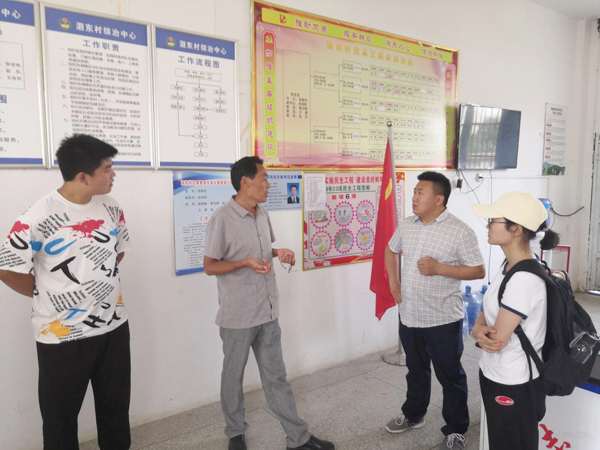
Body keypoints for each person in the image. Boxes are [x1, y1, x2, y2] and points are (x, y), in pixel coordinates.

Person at [0, 134, 132, 449]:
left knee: (115, 411)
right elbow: (7, 268)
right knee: (60, 421)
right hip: (62, 335)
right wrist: (46, 292)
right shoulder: (38, 216)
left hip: (113, 326)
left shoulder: (111, 207)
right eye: (107, 169)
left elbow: (117, 251)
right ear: (83, 177)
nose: (113, 175)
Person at [204, 156, 334, 450]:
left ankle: (297, 438)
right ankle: (235, 433)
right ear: (245, 182)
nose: (268, 184)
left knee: (277, 377)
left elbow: (264, 249)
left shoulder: (262, 213)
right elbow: (210, 265)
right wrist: (244, 263)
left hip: (267, 310)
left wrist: (278, 252)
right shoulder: (222, 218)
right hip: (238, 315)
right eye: (263, 178)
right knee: (233, 377)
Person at [384, 171, 485, 450]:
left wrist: (439, 268)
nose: (414, 197)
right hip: (410, 314)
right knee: (415, 370)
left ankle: (456, 429)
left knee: (450, 375)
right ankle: (413, 414)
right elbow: (390, 250)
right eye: (414, 192)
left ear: (439, 199)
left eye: (420, 192)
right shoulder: (407, 225)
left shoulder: (460, 231)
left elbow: (477, 270)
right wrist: (393, 282)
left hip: (442, 318)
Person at [471, 192, 559, 450]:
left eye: (493, 221)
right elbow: (487, 310)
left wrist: (478, 331)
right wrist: (478, 328)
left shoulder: (523, 279)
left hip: (513, 381)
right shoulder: (508, 265)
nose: (488, 226)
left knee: (513, 444)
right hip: (494, 371)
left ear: (516, 229)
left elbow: (496, 339)